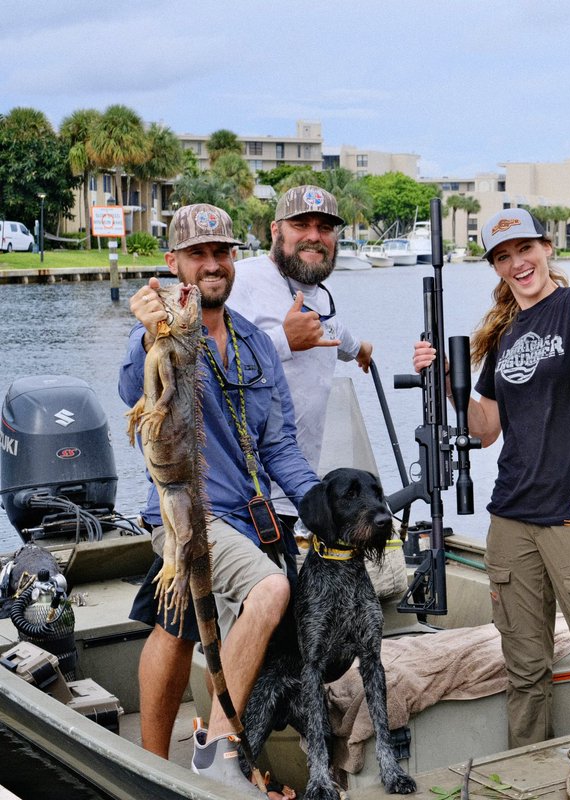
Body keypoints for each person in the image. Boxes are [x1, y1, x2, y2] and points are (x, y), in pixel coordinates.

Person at [412, 208, 570, 747]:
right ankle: (529, 775)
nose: (518, 264)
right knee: (525, 674)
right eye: (503, 256)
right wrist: (447, 381)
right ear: (495, 267)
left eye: (525, 250)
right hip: (511, 520)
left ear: (546, 247)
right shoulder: (502, 338)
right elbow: (486, 430)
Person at [120, 203, 318, 796]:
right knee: (269, 590)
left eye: (221, 253)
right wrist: (150, 326)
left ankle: (157, 767)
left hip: (242, 517)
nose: (212, 264)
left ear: (234, 259)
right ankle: (213, 751)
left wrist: (321, 506)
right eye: (198, 254)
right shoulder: (158, 336)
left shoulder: (256, 345)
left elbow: (279, 445)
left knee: (178, 624)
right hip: (182, 514)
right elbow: (135, 391)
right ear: (173, 262)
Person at [227, 184, 373, 527]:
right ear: (276, 230)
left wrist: (361, 351)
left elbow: (334, 332)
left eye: (324, 228)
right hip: (242, 491)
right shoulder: (241, 281)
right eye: (301, 225)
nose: (314, 236)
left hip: (293, 486)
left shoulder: (321, 293)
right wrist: (283, 340)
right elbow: (212, 364)